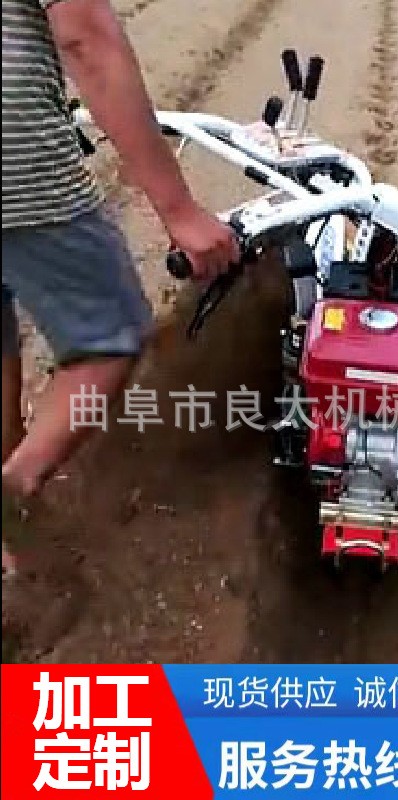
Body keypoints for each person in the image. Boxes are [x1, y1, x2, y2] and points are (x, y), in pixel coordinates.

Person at [2, 0, 240, 575]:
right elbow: (86, 38)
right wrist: (179, 210)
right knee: (108, 340)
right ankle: (10, 496)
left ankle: (11, 537)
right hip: (16, 165)